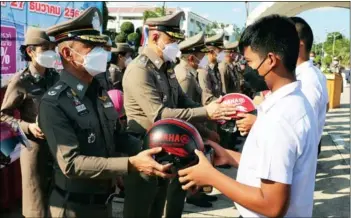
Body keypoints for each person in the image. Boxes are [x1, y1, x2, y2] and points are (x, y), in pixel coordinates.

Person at [178, 14, 319, 218]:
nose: (247, 69)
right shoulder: (294, 103)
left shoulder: (279, 119)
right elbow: (276, 167)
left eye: (251, 61)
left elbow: (272, 205)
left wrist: (211, 177)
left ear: (271, 60)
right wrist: (230, 156)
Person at [40, 7, 172, 218]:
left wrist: (157, 150)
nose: (101, 52)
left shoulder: (99, 91)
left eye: (101, 46)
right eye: (91, 46)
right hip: (73, 208)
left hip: (104, 204)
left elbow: (118, 136)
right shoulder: (54, 103)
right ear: (67, 54)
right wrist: (130, 164)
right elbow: (71, 164)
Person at [122, 11, 237, 218]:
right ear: (155, 37)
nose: (175, 45)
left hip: (167, 152)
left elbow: (183, 101)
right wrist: (206, 112)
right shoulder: (139, 70)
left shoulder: (166, 68)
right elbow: (160, 115)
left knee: (158, 208)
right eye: (172, 40)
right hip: (143, 152)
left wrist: (211, 114)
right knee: (140, 210)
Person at [0, 27, 60, 218]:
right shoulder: (21, 80)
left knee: (56, 204)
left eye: (52, 48)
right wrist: (28, 127)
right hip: (34, 150)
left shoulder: (54, 77)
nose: (50, 53)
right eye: (45, 48)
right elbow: (3, 115)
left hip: (57, 148)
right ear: (30, 51)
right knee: (36, 207)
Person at [173, 31, 219, 208]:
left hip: (196, 126)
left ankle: (197, 193)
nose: (204, 59)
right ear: (192, 58)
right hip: (189, 129)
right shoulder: (184, 76)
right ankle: (193, 194)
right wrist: (202, 132)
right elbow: (185, 112)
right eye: (201, 56)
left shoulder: (189, 73)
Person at [290, 16, 329, 155]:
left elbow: (303, 128)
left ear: (298, 46)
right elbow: (326, 106)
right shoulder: (308, 74)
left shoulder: (308, 80)